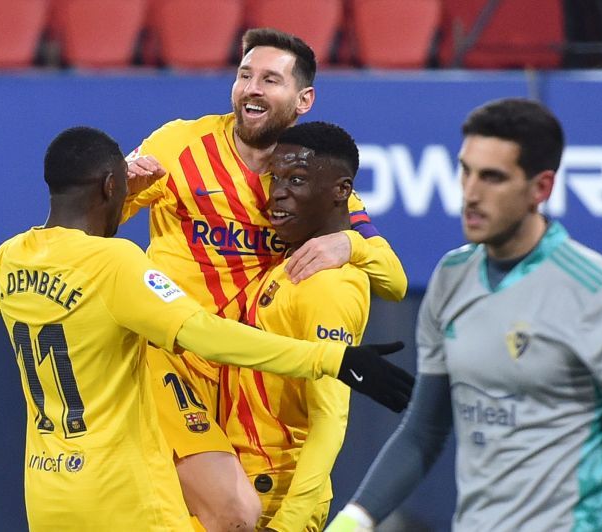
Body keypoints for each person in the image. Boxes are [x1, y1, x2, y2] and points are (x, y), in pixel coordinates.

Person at [0, 126, 413, 530]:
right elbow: (203, 332)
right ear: (112, 185)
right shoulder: (117, 264)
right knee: (239, 514)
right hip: (123, 497)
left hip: (47, 494)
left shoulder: (12, 257)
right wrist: (334, 358)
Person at [328, 98, 602, 532]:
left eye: (493, 178)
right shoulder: (450, 279)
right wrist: (355, 519)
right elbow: (423, 431)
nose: (470, 192)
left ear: (540, 188)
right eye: (465, 170)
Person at [123, 27, 408, 530]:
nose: (252, 87)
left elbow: (396, 279)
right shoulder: (178, 146)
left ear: (303, 99)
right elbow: (99, 220)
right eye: (244, 75)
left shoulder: (306, 179)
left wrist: (349, 244)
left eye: (270, 79)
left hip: (251, 374)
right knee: (233, 514)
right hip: (176, 361)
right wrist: (123, 187)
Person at [220, 121, 369, 531]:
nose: (278, 192)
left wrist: (287, 524)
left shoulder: (330, 285)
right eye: (276, 178)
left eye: (297, 179)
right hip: (238, 485)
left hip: (273, 499)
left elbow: (331, 417)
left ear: (342, 191)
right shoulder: (290, 262)